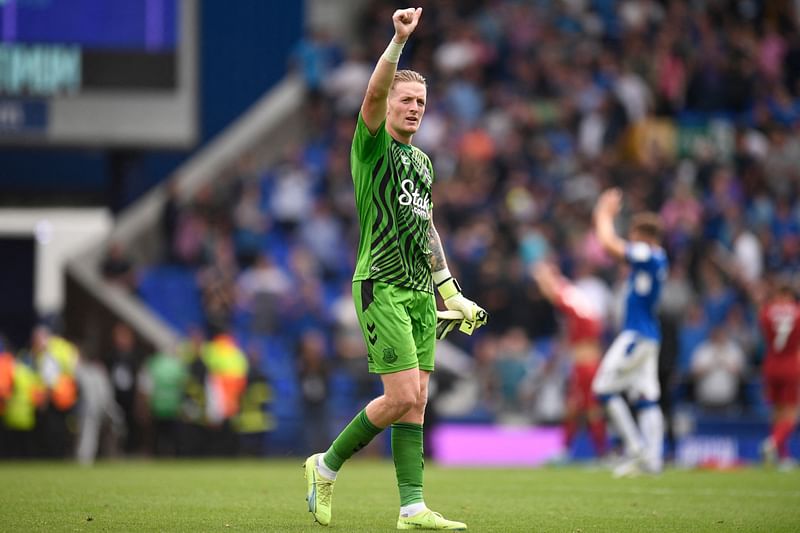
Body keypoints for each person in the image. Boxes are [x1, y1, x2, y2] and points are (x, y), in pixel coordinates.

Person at [303, 8, 486, 530]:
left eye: (421, 102)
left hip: (418, 292)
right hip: (379, 283)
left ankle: (411, 510)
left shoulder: (423, 163)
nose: (414, 108)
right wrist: (398, 43)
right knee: (400, 395)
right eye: (406, 100)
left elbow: (426, 229)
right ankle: (326, 465)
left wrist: (450, 292)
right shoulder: (372, 146)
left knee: (417, 402)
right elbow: (371, 97)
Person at [590, 188, 668, 477]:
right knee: (647, 397)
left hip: (636, 334)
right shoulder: (658, 258)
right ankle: (654, 459)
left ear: (642, 235)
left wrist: (603, 213)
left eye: (633, 235)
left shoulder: (648, 252)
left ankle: (636, 448)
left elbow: (609, 245)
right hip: (649, 335)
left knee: (603, 388)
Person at [533, 261, 607, 459]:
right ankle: (574, 451)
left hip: (586, 365)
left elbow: (555, 295)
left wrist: (543, 278)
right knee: (578, 408)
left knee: (588, 409)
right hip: (586, 363)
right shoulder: (575, 296)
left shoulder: (567, 295)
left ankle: (598, 453)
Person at [758, 281, 800, 470]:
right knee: (791, 414)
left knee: (776, 411)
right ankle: (773, 443)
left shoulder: (767, 312)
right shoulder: (797, 313)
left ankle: (782, 457)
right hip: (791, 364)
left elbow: (764, 334)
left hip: (771, 364)